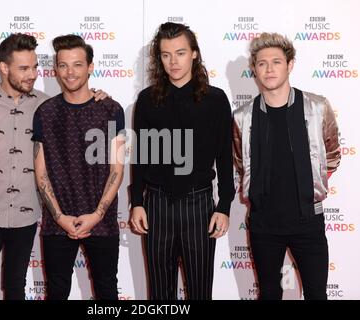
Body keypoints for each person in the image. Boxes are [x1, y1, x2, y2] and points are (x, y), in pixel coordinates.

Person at [0, 33, 107, 300]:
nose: (32, 74)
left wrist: (98, 97)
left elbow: (78, 108)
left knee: (15, 289)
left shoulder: (45, 105)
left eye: (35, 67)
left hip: (26, 218)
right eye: (24, 68)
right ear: (4, 67)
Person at [129, 22, 235, 300]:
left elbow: (225, 157)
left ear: (194, 54)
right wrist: (137, 202)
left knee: (200, 291)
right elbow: (141, 155)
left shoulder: (215, 100)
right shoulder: (148, 99)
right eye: (166, 55)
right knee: (159, 294)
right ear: (159, 58)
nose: (173, 62)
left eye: (180, 53)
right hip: (156, 204)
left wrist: (224, 206)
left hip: (198, 205)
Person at [233, 32, 341, 300]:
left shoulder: (317, 107)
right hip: (263, 223)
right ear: (254, 70)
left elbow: (333, 153)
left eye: (276, 62)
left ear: (290, 64)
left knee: (317, 294)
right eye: (262, 63)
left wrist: (312, 184)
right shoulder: (242, 117)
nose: (269, 69)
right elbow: (239, 161)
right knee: (269, 294)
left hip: (308, 221)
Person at [32, 34, 125, 300]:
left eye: (77, 64)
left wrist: (97, 215)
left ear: (90, 67)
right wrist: (60, 217)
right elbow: (41, 174)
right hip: (56, 221)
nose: (70, 72)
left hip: (102, 221)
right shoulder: (45, 112)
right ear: (55, 69)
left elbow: (117, 169)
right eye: (63, 65)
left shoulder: (111, 109)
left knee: (107, 291)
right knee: (57, 291)